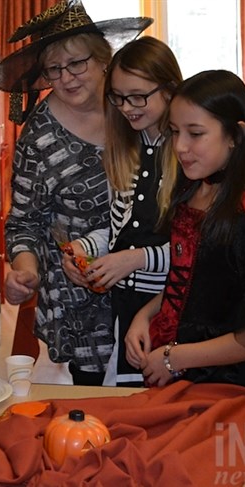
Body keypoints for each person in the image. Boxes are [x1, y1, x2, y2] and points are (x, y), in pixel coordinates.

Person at [0, 0, 152, 385]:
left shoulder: (133, 110)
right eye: (54, 69)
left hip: (148, 280)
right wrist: (25, 272)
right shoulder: (39, 136)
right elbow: (24, 222)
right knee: (95, 406)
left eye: (77, 63)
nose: (66, 78)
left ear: (103, 61)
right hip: (80, 302)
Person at [124, 70, 245, 393]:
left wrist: (174, 358)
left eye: (195, 133)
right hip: (186, 367)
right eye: (175, 132)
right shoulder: (191, 189)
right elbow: (196, 282)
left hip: (235, 384)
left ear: (235, 136)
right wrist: (146, 315)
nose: (180, 146)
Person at [81, 37, 182, 387]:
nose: (127, 107)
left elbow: (196, 253)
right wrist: (88, 248)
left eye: (138, 96)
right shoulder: (127, 148)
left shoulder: (187, 155)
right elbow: (118, 230)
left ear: (170, 89)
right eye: (118, 97)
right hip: (125, 309)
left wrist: (136, 259)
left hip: (173, 311)